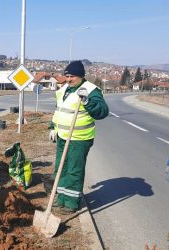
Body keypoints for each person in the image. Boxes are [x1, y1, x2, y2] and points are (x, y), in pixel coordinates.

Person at [49, 60, 109, 214]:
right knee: (61, 168)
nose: (69, 79)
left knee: (74, 170)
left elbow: (102, 112)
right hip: (63, 136)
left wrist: (87, 101)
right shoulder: (64, 89)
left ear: (81, 76)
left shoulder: (91, 90)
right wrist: (53, 127)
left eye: (72, 76)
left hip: (79, 138)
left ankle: (71, 203)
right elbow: (60, 110)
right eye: (67, 76)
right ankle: (61, 198)